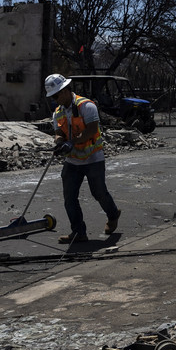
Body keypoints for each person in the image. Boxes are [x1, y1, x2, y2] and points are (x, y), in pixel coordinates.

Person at [44, 73, 120, 244]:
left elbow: (92, 129)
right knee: (69, 198)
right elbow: (58, 133)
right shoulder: (58, 112)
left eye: (56, 95)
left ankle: (113, 214)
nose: (55, 99)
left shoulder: (87, 106)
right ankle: (79, 233)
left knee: (99, 193)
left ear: (65, 90)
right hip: (72, 161)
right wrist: (59, 142)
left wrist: (73, 142)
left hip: (93, 158)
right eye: (53, 97)